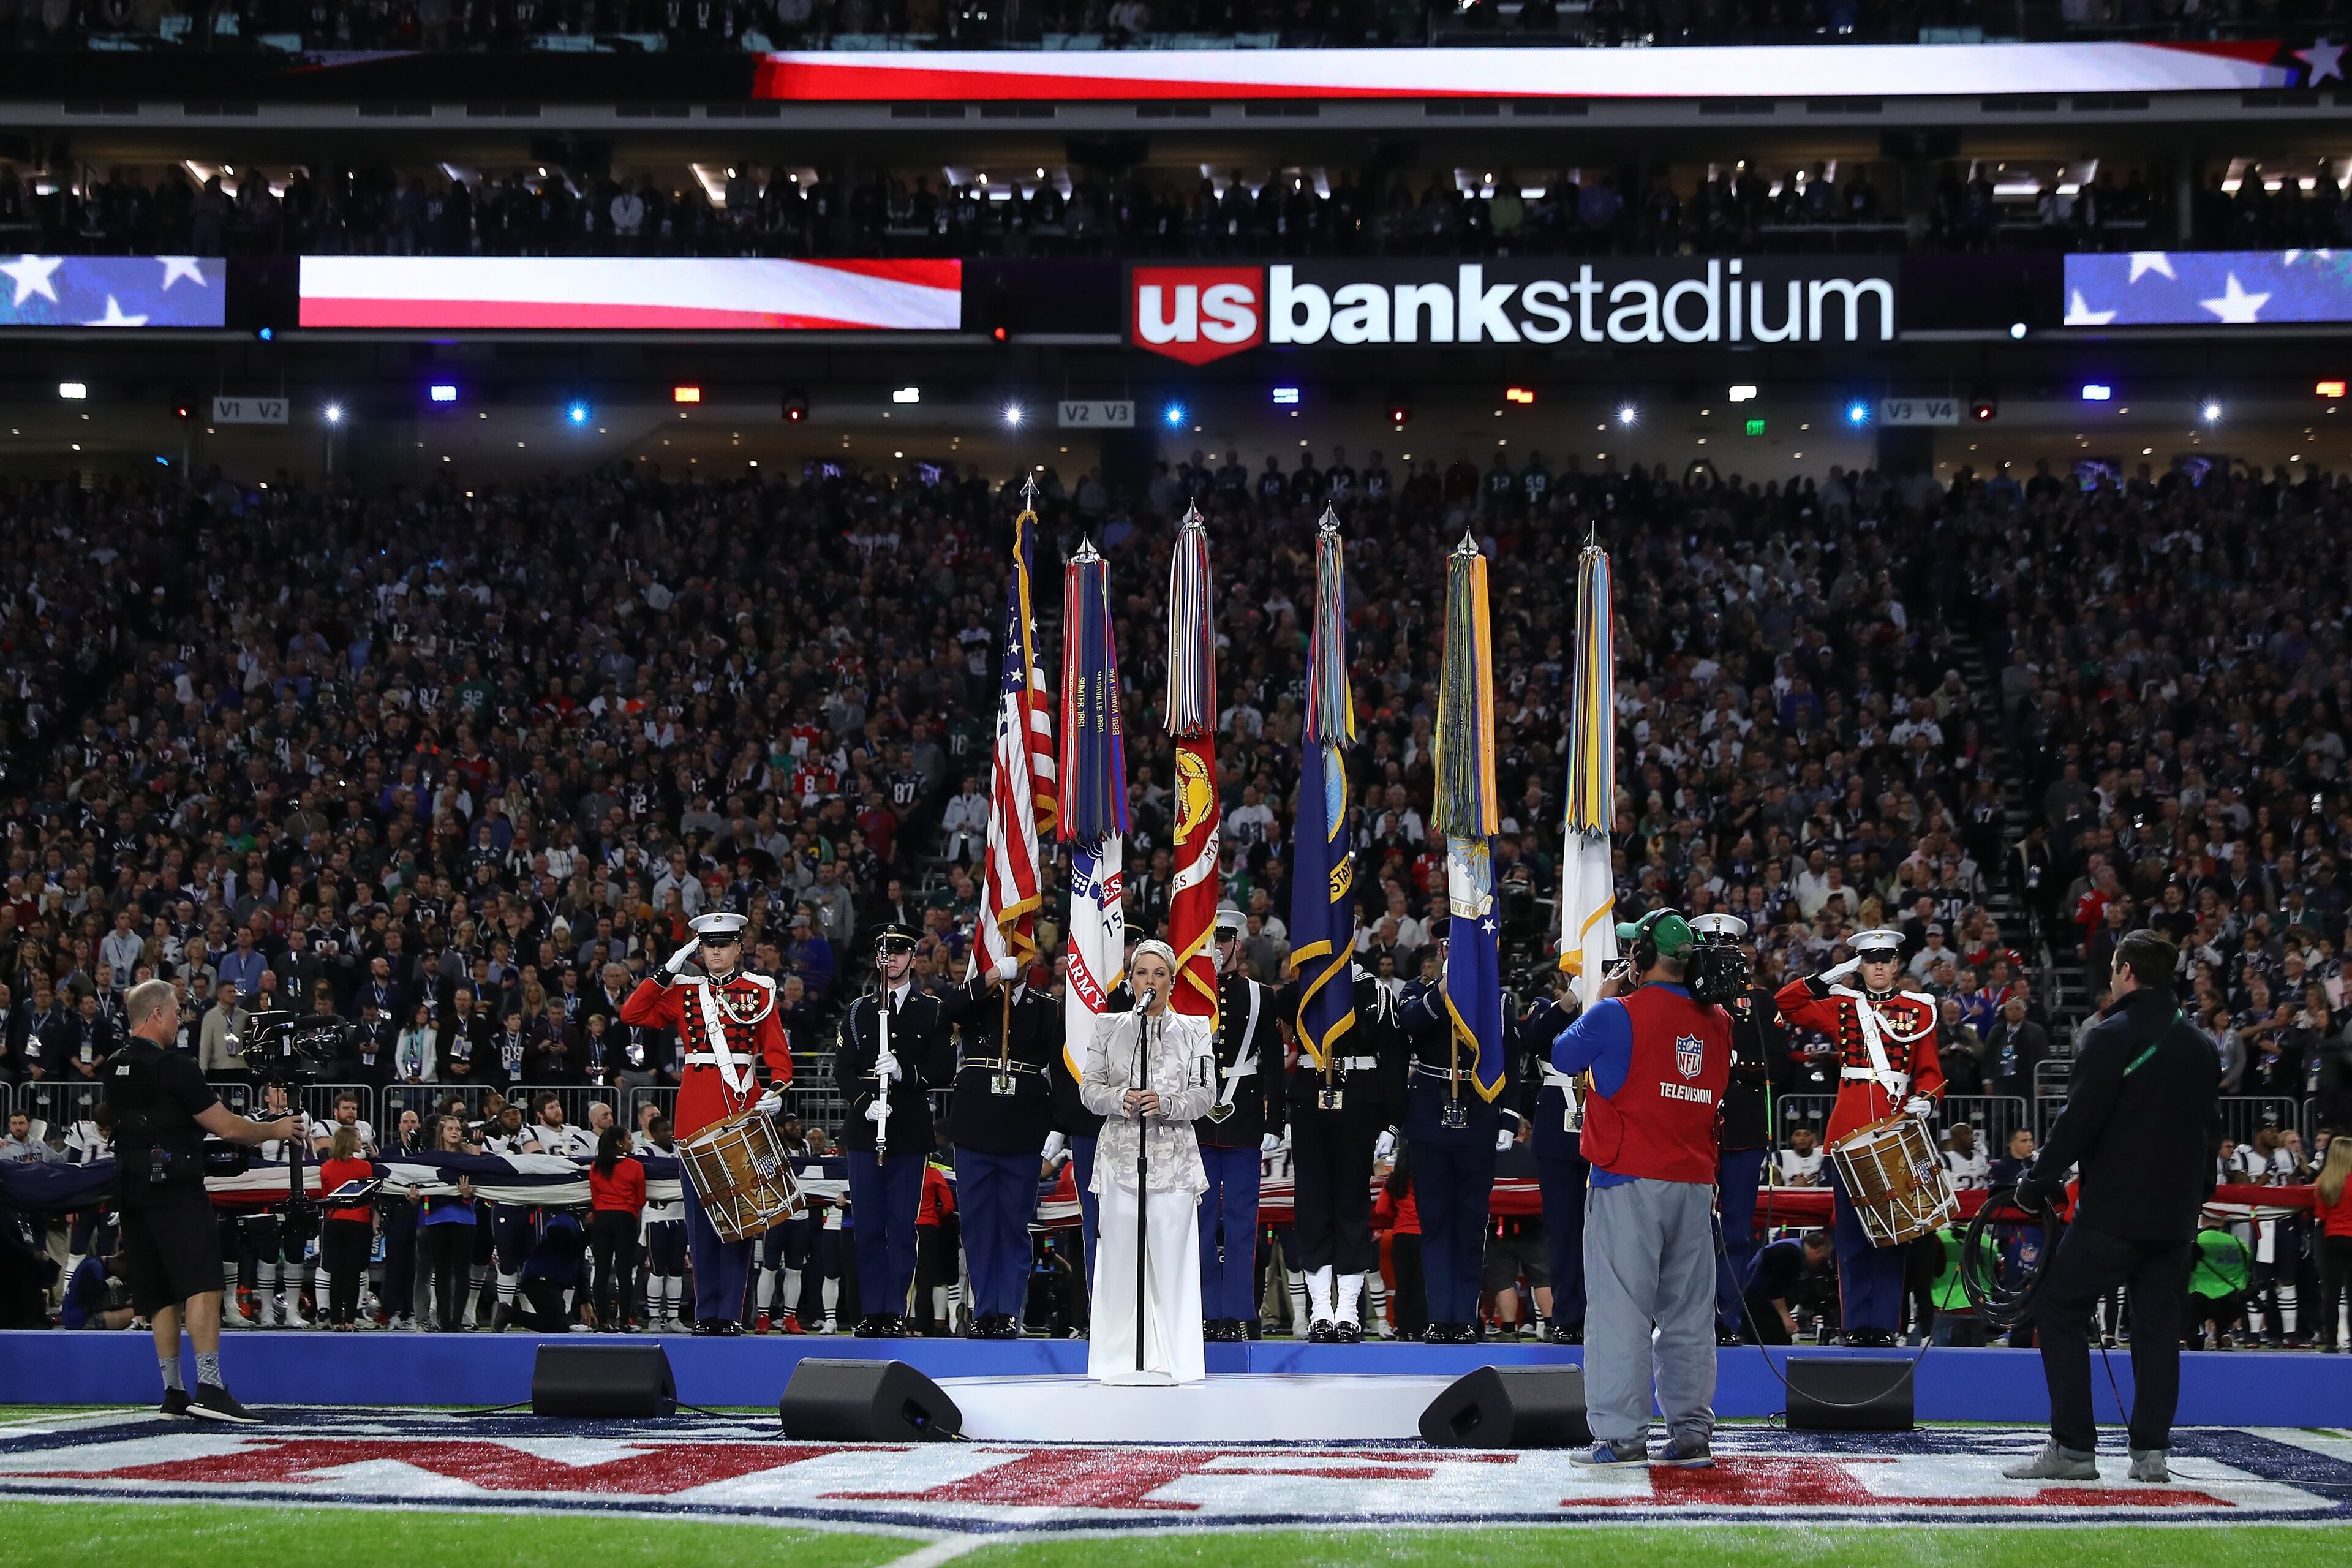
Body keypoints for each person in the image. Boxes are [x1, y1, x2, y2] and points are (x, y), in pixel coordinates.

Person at [2005, 930, 2220, 1485]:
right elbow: (2209, 1131)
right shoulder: (2200, 1045)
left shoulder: (2108, 1034)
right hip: (2175, 1216)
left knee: (2058, 1308)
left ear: (2124, 970)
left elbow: (2079, 1120)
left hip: (2114, 1212)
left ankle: (2074, 1448)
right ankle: (2151, 1455)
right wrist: (2200, 1194)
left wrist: (2037, 1181)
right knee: (2156, 1325)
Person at [1550, 909, 1731, 1467]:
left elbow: (1562, 1055)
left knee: (1620, 1312)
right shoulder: (1720, 1021)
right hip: (1694, 1183)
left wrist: (1602, 996)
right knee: (1689, 1315)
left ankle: (1623, 1437)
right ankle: (1691, 1435)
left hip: (1628, 1177)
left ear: (1642, 958)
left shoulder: (1614, 1013)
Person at [101, 978, 303, 1421]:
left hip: (131, 1191)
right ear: (156, 1015)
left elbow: (108, 1124)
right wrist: (276, 1128)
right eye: (175, 1013)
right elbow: (228, 1128)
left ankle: (173, 1392)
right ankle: (209, 1387)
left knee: (158, 1294)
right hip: (175, 1188)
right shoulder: (176, 1066)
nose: (179, 1020)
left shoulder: (113, 1066)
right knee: (203, 1283)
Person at [620, 910, 793, 1335]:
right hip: (696, 1113)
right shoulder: (684, 991)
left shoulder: (759, 991)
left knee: (740, 1217)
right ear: (700, 950)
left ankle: (730, 1313)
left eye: (724, 944)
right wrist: (667, 969)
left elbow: (777, 1055)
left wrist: (775, 1093)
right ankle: (705, 1313)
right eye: (708, 945)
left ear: (739, 947)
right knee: (700, 1220)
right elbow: (632, 1013)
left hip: (741, 1111)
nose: (716, 951)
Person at [1776, 927, 1945, 1347]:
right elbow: (1788, 1003)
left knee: (1893, 1237)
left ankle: (1884, 1326)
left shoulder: (1919, 1010)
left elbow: (1930, 1072)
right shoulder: (1844, 1006)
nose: (1879, 967)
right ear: (1861, 965)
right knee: (1851, 1239)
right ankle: (1855, 1326)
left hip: (1896, 1137)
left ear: (1897, 964)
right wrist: (1834, 974)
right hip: (1847, 1138)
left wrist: (1925, 1098)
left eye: (1885, 960)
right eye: (1870, 961)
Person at [1080, 940, 1216, 1384]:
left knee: (1172, 1258)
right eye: (1142, 973)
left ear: (1172, 982)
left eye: (1159, 974)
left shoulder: (1195, 1029)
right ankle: (1117, 1361)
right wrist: (1122, 1098)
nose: (1150, 982)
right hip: (1121, 1155)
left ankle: (1177, 1362)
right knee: (1120, 1257)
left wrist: (1169, 1103)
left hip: (1174, 1160)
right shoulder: (1109, 1027)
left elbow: (1205, 1095)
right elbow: (1090, 1090)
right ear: (1130, 980)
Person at [833, 923, 963, 1336]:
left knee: (902, 1227)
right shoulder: (858, 1011)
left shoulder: (932, 1010)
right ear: (877, 959)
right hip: (863, 1128)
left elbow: (943, 1069)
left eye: (900, 952)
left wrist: (906, 1073)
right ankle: (872, 1310)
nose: (891, 959)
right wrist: (864, 1103)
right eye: (885, 952)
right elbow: (843, 1069)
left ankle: (894, 1310)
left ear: (913, 958)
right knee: (867, 1225)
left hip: (908, 1131)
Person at [1397, 914, 1521, 1344]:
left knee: (1471, 1222)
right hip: (1431, 1116)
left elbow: (1511, 1061)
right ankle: (1440, 1315)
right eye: (1449, 948)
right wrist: (1445, 992)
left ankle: (1465, 1314)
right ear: (1441, 952)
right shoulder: (1419, 992)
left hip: (1480, 1114)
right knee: (1435, 1221)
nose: (1454, 954)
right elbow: (1410, 1026)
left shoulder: (1498, 1002)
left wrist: (1508, 1117)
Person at [1276, 951, 1407, 1342]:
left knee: (1352, 1206)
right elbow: (1284, 1005)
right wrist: (1319, 977)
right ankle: (1320, 1311)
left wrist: (1392, 1120)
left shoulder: (1374, 992)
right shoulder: (1305, 989)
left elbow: (1396, 1058)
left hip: (1358, 1102)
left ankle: (1348, 1309)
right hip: (1310, 1103)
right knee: (1313, 1205)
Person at [948, 955, 1061, 1339]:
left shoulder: (1047, 1008)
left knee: (1013, 1225)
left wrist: (1058, 1128)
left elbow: (1062, 1067)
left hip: (1024, 1126)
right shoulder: (979, 997)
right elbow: (947, 1010)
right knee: (978, 1225)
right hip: (976, 1125)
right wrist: (992, 977)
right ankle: (985, 1308)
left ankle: (1008, 1310)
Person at [1194, 908, 1284, 1343]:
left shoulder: (1261, 995)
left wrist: (1276, 1119)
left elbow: (1272, 1063)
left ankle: (1240, 1311)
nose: (1217, 948)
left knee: (1243, 1219)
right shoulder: (1190, 995)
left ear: (1237, 944)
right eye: (1211, 940)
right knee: (1201, 1218)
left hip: (1244, 1114)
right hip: (1195, 1119)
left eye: (1224, 940)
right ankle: (1209, 1310)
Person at [1695, 913, 1785, 1345]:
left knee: (1736, 1229)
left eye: (1726, 948)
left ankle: (1726, 1319)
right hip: (1692, 1123)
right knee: (1687, 1228)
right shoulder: (1688, 998)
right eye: (1712, 947)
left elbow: (1780, 1062)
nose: (1719, 956)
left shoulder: (1761, 1002)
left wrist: (1735, 1071)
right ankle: (1685, 1318)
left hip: (1745, 1125)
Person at [1519, 974, 1587, 1344]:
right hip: (1559, 1130)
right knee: (1562, 1231)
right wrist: (1569, 1004)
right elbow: (1533, 1039)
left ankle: (1605, 1314)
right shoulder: (1547, 1010)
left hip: (1607, 1124)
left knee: (1608, 1234)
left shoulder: (1617, 1008)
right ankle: (1567, 1314)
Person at [410, 1114, 478, 1332]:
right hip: (437, 1219)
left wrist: (468, 1195)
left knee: (461, 1271)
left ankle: (457, 1320)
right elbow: (421, 1186)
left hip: (464, 1218)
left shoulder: (470, 1158)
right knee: (441, 1271)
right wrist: (415, 1200)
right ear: (442, 1132)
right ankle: (444, 1321)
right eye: (450, 1128)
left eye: (457, 1128)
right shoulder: (429, 1159)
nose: (455, 1132)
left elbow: (482, 1188)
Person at [315, 1127, 375, 1332]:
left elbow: (327, 1197)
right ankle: (350, 1319)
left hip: (334, 1223)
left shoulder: (326, 1168)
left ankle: (335, 1320)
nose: (361, 1142)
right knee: (353, 1274)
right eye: (358, 1139)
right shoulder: (365, 1167)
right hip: (358, 1224)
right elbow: (368, 1198)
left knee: (337, 1274)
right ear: (351, 1142)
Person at [587, 1124, 646, 1332]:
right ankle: (624, 1321)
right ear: (620, 1143)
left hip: (601, 1219)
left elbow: (594, 1196)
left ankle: (603, 1322)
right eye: (629, 1138)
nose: (632, 1142)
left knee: (601, 1271)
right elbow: (640, 1199)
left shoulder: (596, 1166)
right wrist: (631, 1212)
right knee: (624, 1271)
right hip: (624, 1218)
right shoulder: (635, 1166)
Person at [1742, 1229, 1831, 1344]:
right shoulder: (1790, 1253)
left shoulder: (1791, 1246)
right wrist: (1786, 1318)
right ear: (1818, 1251)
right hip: (1756, 1305)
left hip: (1754, 1300)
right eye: (1821, 1260)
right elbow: (1775, 1288)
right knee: (1775, 1342)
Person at [2308, 1136, 2350, 1353]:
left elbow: (2320, 1215)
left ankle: (2330, 1341)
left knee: (2331, 1292)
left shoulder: (2324, 1182)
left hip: (2332, 1239)